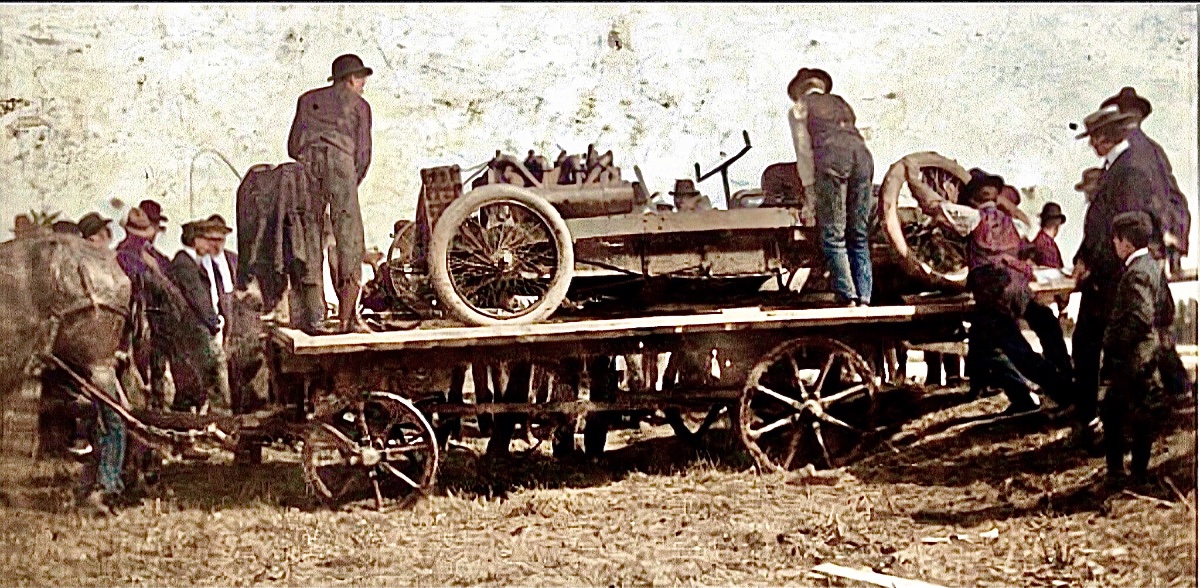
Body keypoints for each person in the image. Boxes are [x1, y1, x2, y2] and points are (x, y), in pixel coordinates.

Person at [1071, 105, 1166, 448]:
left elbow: (1128, 229)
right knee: (1089, 347)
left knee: (1115, 351)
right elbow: (1097, 226)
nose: (1092, 144)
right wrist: (1082, 257)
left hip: (1114, 277)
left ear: (1106, 137)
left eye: (1095, 137)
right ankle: (1094, 422)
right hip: (1102, 273)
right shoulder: (1114, 169)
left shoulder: (1130, 171)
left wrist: (1096, 265)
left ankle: (1114, 427)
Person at [950, 170, 1073, 414]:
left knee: (1016, 349)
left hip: (993, 293)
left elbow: (934, 208)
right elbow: (1028, 244)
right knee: (1041, 324)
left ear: (972, 199)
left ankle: (1064, 392)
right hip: (1018, 287)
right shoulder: (1013, 222)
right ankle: (1037, 389)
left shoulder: (971, 217)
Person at [288, 54, 374, 333]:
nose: (363, 85)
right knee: (349, 236)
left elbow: (292, 147)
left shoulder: (307, 99)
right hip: (341, 164)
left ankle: (316, 316)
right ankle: (348, 319)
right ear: (350, 79)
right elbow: (363, 155)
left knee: (309, 234)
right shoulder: (360, 105)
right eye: (361, 79)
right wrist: (348, 183)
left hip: (307, 164)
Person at [787, 67, 875, 306]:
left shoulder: (800, 108)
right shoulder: (841, 103)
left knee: (833, 234)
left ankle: (847, 296)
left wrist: (810, 191)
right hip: (863, 159)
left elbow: (804, 152)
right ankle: (865, 296)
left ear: (798, 91)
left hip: (832, 161)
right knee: (858, 234)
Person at [1100, 212, 1175, 489]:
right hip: (1146, 353)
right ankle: (1133, 473)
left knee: (1118, 412)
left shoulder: (1135, 273)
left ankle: (1123, 474)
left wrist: (1115, 343)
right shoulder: (1153, 266)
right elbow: (1166, 309)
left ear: (1126, 242)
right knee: (1128, 411)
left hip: (1132, 356)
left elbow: (1139, 318)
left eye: (1116, 240)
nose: (1114, 244)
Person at [1099, 87, 1191, 274]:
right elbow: (1176, 198)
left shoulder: (1125, 155)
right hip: (1155, 244)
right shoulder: (1155, 150)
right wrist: (1174, 236)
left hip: (1136, 249)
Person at [166, 219, 232, 413]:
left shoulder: (190, 262)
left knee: (197, 381)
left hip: (193, 332)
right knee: (211, 375)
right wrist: (214, 323)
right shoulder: (184, 264)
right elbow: (197, 297)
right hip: (193, 332)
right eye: (206, 239)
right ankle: (218, 416)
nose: (210, 244)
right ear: (195, 240)